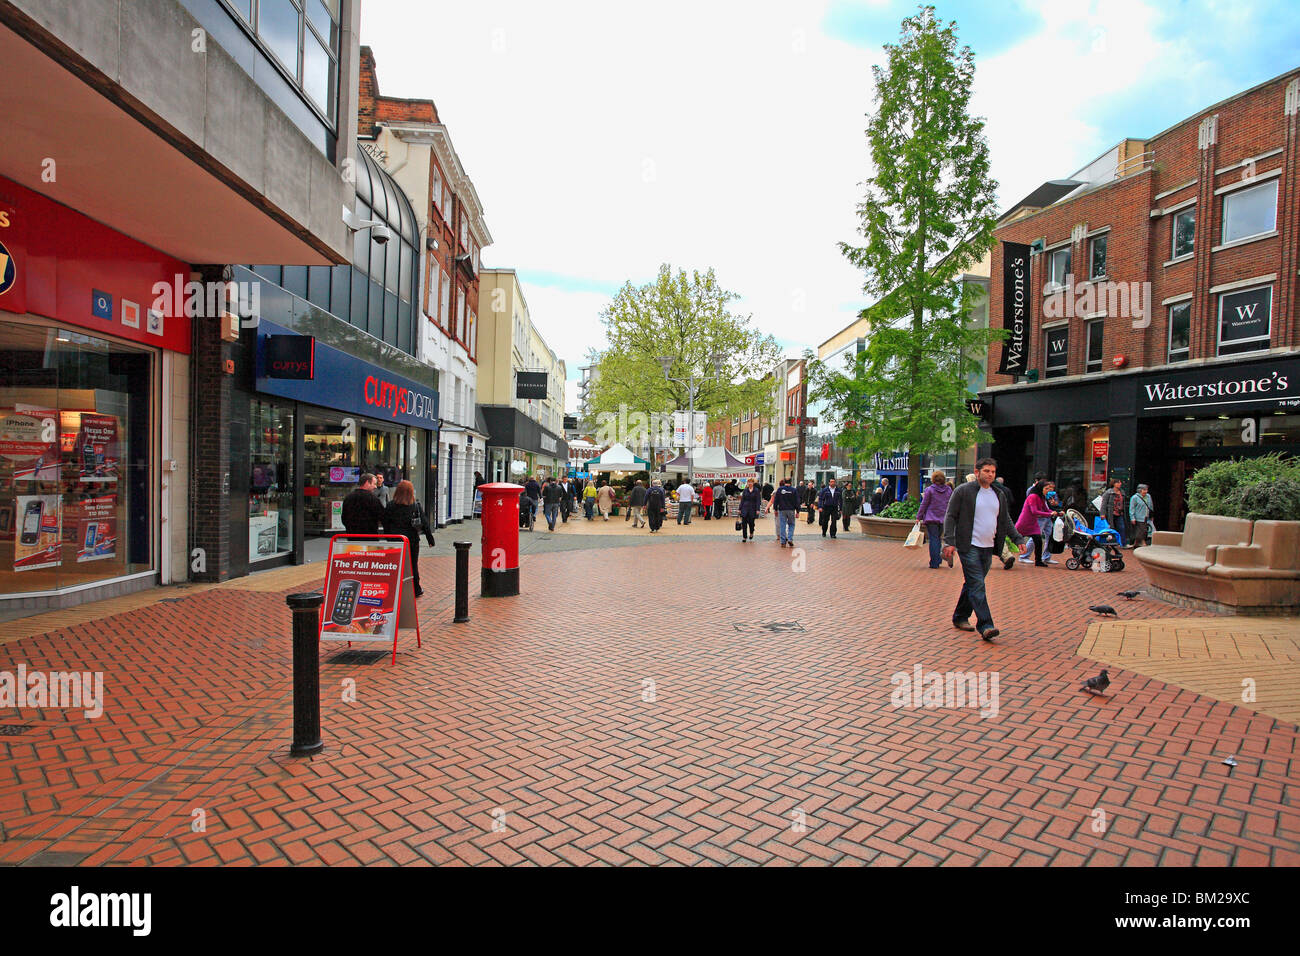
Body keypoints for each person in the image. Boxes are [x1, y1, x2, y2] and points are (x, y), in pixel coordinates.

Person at [942, 457, 1025, 642]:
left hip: (988, 547)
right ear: (977, 471)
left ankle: (960, 616)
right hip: (968, 545)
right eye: (987, 471)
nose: (990, 475)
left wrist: (1017, 538)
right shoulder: (963, 491)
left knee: (972, 584)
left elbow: (1006, 520)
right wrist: (948, 541)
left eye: (993, 472)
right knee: (977, 584)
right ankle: (986, 625)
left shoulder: (998, 494)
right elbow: (950, 516)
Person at [382, 479, 435, 597]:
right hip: (411, 540)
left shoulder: (390, 505)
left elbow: (385, 522)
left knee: (394, 564)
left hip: (395, 540)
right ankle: (416, 588)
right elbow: (425, 523)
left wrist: (388, 535)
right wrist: (430, 539)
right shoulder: (415, 506)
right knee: (413, 564)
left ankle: (394, 588)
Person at [1016, 480, 1058, 567]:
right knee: (1014, 540)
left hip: (1033, 523)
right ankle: (1005, 555)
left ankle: (1038, 561)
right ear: (1040, 488)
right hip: (1025, 522)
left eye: (1049, 489)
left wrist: (1056, 512)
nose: (1048, 491)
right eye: (1046, 488)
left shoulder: (1041, 497)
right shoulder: (1033, 496)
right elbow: (1034, 511)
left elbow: (1046, 510)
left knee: (1038, 541)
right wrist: (1049, 514)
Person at [918, 470, 954, 569]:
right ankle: (938, 559)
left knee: (934, 539)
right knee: (938, 538)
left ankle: (934, 562)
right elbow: (951, 504)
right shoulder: (948, 490)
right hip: (943, 518)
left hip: (931, 518)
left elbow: (924, 504)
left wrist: (919, 517)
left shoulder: (929, 490)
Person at [772, 477, 799, 547]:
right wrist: (798, 511)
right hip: (791, 510)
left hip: (782, 510)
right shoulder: (794, 490)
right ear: (791, 482)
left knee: (782, 525)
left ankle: (783, 541)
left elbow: (776, 500)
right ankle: (790, 538)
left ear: (784, 482)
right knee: (791, 524)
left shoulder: (780, 489)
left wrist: (775, 509)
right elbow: (797, 501)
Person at [1100, 478, 1128, 546]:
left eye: (1120, 482)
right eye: (1118, 482)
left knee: (1122, 527)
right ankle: (1109, 543)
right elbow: (1103, 504)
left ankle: (1123, 543)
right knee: (1110, 527)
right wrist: (1102, 513)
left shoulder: (1122, 492)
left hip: (1119, 513)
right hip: (1111, 513)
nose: (1120, 484)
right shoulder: (1108, 492)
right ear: (1114, 484)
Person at [1129, 483, 1154, 548]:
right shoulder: (1135, 497)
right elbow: (1132, 508)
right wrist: (1132, 518)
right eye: (1144, 490)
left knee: (1144, 530)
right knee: (1141, 530)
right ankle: (1142, 542)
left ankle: (1136, 543)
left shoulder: (1148, 496)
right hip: (1138, 516)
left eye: (1146, 489)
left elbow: (1151, 506)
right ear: (1140, 490)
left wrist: (1151, 515)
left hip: (1146, 516)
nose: (1146, 491)